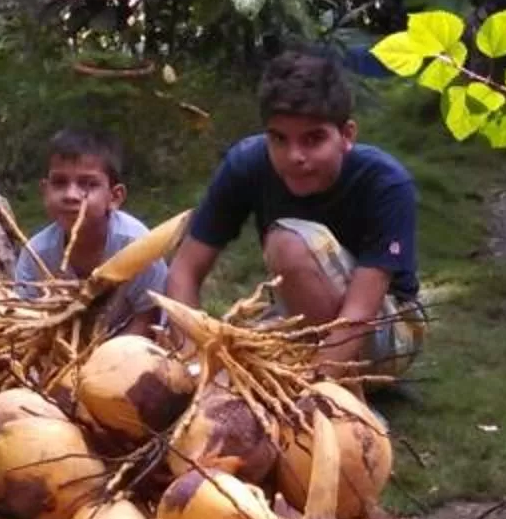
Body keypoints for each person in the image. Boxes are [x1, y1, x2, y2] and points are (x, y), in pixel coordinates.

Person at [163, 49, 425, 378]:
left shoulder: (386, 183)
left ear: (346, 136)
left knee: (288, 244)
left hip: (387, 329)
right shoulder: (246, 163)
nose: (295, 156)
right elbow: (183, 271)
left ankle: (336, 392)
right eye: (279, 139)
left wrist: (312, 389)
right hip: (295, 315)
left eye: (313, 139)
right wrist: (193, 363)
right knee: (231, 352)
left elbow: (360, 312)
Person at [12, 126, 170, 319]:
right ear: (45, 191)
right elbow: (25, 316)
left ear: (115, 197)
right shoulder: (36, 254)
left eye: (88, 184)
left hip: (132, 343)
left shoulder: (138, 246)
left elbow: (148, 317)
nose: (71, 195)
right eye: (60, 182)